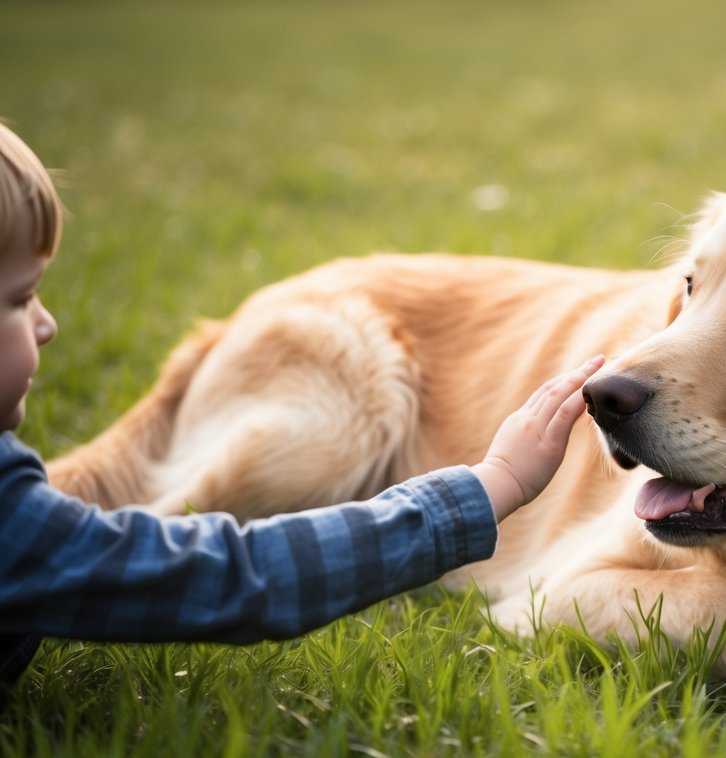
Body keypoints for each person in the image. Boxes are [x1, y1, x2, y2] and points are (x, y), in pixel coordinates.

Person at [0, 120, 604, 700]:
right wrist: (489, 486)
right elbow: (229, 574)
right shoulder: (14, 531)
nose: (48, 323)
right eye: (21, 298)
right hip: (341, 330)